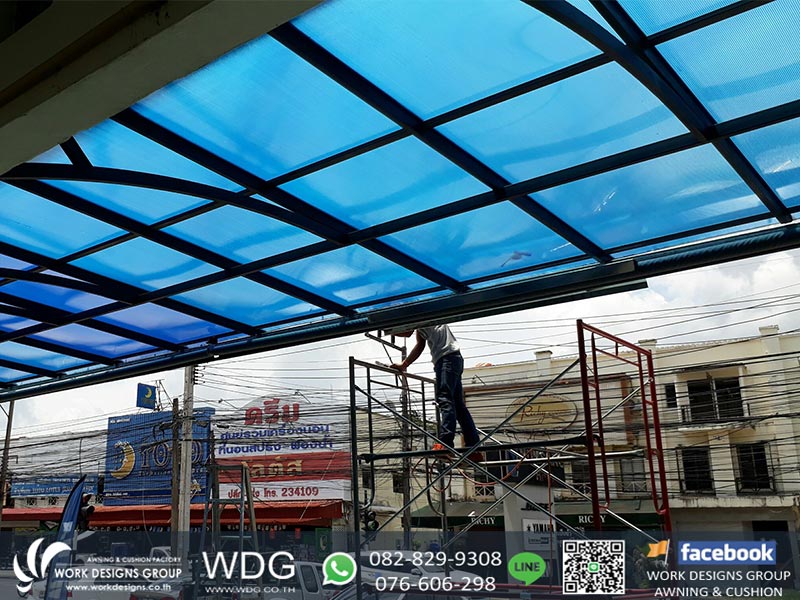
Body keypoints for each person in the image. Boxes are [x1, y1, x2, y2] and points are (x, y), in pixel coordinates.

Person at [391, 325, 483, 462]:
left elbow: (407, 331)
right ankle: (473, 448)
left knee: (445, 399)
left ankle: (445, 444)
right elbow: (419, 345)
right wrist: (405, 364)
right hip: (451, 358)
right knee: (458, 406)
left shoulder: (420, 315)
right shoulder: (421, 327)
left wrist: (387, 329)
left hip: (447, 358)